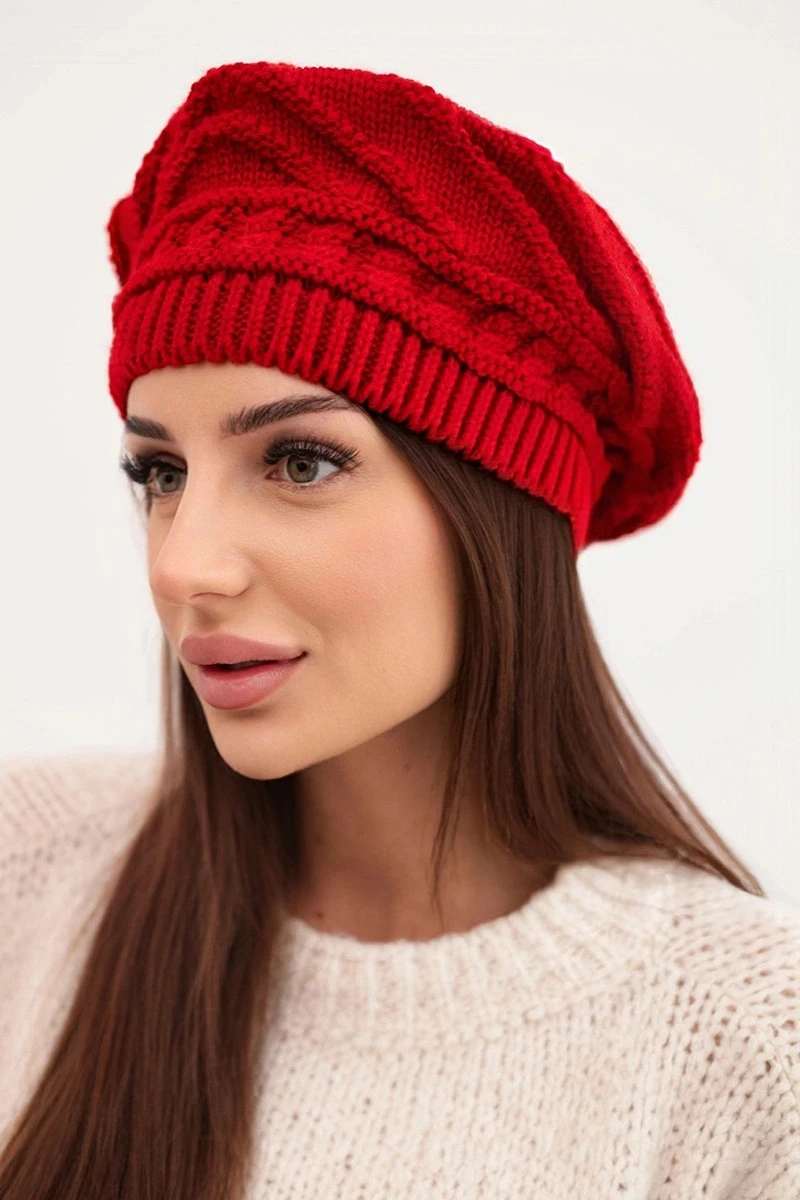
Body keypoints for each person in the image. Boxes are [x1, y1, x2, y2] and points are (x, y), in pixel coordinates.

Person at [0, 60, 797, 1200]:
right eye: (160, 472)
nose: (182, 565)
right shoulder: (25, 874)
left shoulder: (750, 1043)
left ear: (496, 509)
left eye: (300, 461)